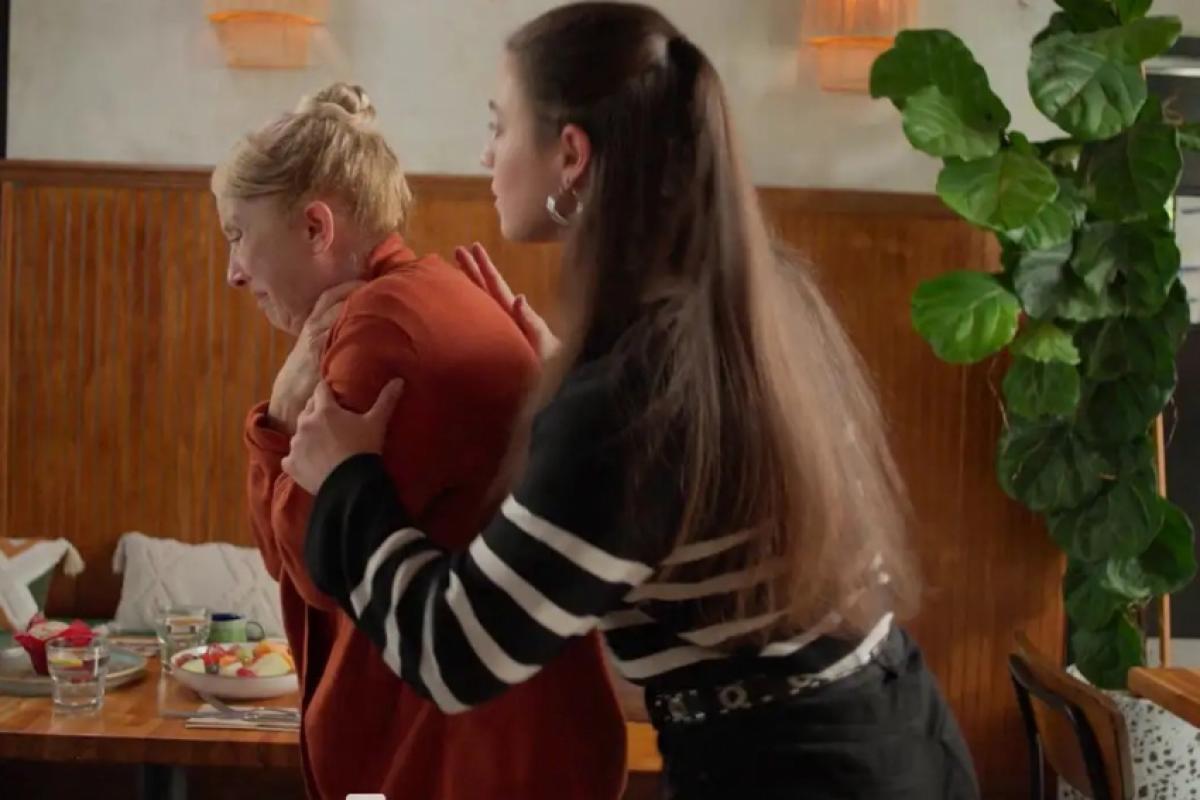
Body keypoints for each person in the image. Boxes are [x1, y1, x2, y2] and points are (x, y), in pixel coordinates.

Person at [283, 6, 980, 799]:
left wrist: (345, 482)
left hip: (796, 775)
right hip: (903, 736)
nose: (485, 154)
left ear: (570, 154)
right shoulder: (751, 298)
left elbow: (455, 653)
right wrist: (570, 384)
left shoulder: (629, 400)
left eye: (499, 126)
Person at [215, 82, 626, 800]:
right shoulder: (427, 293)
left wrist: (276, 418)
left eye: (238, 235)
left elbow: (309, 565)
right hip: (502, 746)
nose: (234, 273)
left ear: (315, 227)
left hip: (464, 763)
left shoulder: (382, 326)